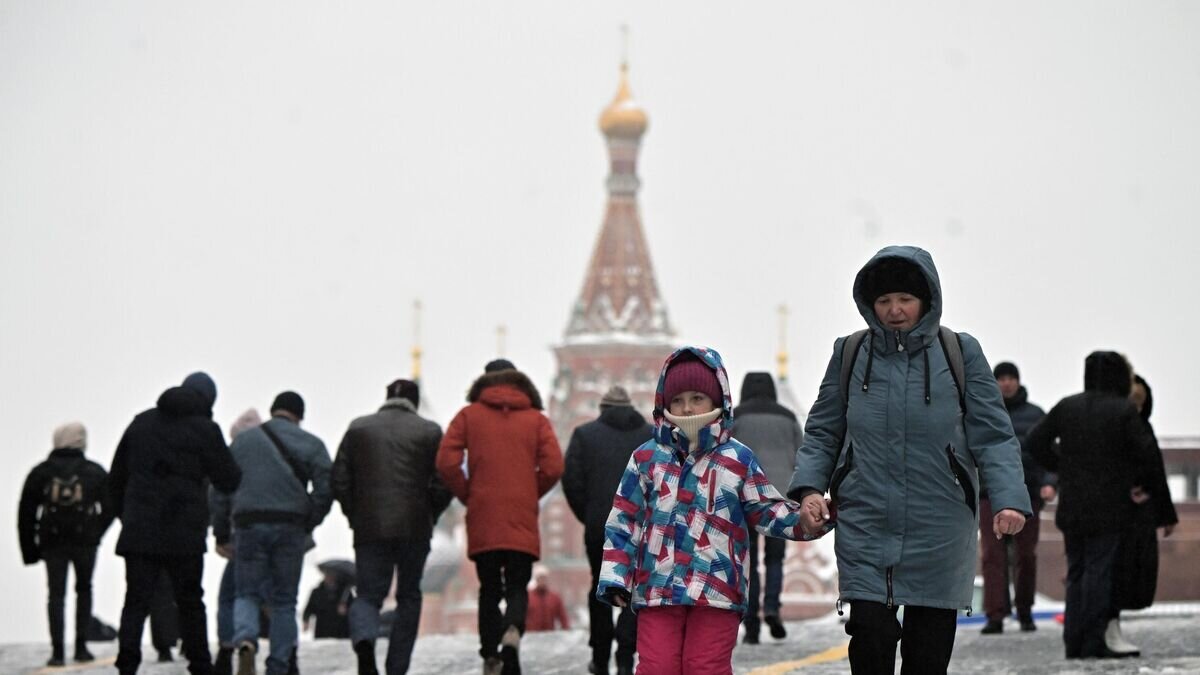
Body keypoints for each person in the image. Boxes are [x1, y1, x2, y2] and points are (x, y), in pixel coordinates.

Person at [787, 246, 1031, 675]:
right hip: (865, 520)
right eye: (883, 301)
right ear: (869, 304)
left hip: (938, 524)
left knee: (927, 655)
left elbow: (993, 436)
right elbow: (824, 431)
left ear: (927, 299)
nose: (894, 310)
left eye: (904, 299)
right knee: (869, 638)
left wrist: (1009, 498)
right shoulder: (850, 354)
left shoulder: (960, 353)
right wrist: (809, 490)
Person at [597, 346, 833, 675]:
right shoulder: (646, 459)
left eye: (697, 398)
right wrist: (616, 576)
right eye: (677, 400)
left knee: (705, 667)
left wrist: (807, 522)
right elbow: (624, 520)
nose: (687, 407)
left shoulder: (736, 459)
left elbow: (765, 509)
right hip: (658, 587)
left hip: (718, 587)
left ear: (717, 400)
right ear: (663, 403)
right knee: (657, 667)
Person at [1026, 352, 1159, 659]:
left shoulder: (1067, 406)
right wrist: (1136, 482)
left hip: (1072, 504)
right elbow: (1147, 453)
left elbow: (1034, 441)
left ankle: (1073, 641)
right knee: (1100, 571)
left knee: (1076, 571)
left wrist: (1062, 466)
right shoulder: (1123, 410)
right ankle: (1094, 641)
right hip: (1110, 505)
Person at [109, 371, 242, 675]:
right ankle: (200, 665)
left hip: (140, 531)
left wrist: (128, 517)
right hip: (184, 532)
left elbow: (116, 478)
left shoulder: (140, 423)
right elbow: (229, 478)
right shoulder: (206, 430)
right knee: (191, 601)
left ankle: (127, 665)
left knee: (136, 601)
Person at [436, 360, 563, 675]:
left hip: (483, 512)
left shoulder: (469, 416)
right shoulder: (536, 420)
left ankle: (491, 654)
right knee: (518, 584)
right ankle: (512, 633)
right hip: (520, 513)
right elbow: (554, 466)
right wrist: (530, 490)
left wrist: (467, 492)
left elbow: (446, 461)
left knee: (489, 587)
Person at [332, 378, 451, 675]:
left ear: (385, 398)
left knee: (368, 594)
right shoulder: (430, 431)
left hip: (369, 528)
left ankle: (364, 639)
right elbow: (443, 482)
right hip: (414, 528)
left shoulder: (358, 429)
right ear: (414, 401)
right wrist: (430, 514)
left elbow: (339, 480)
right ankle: (397, 667)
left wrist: (354, 515)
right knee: (409, 596)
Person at [211, 391, 333, 675]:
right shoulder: (311, 444)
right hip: (290, 526)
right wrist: (310, 519)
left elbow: (220, 487)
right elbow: (327, 486)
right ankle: (278, 664)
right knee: (284, 600)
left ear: (273, 410)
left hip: (248, 524)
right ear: (299, 416)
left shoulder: (243, 442)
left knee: (246, 593)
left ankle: (245, 641)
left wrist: (221, 533)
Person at [561, 385, 649, 675]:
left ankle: (600, 658)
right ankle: (625, 657)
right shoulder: (648, 435)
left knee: (600, 587)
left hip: (599, 525)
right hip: (640, 525)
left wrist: (588, 515)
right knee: (635, 589)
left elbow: (571, 482)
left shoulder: (585, 435)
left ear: (603, 409)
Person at [18, 421, 115, 666]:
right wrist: (96, 532)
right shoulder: (93, 471)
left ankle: (57, 652)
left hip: (53, 542)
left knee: (55, 595)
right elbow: (112, 505)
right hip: (85, 543)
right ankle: (81, 647)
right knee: (84, 590)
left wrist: (30, 549)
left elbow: (26, 512)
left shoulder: (41, 472)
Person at [1105, 373, 1178, 656]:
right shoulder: (1127, 429)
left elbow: (1156, 472)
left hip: (1138, 515)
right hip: (1123, 515)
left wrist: (1165, 512)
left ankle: (1111, 625)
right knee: (1119, 573)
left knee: (1131, 573)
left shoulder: (1142, 428)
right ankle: (1109, 626)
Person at [979, 361, 1054, 634]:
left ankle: (1024, 611)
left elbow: (1049, 454)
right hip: (988, 493)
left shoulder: (1036, 416)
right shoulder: (983, 412)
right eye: (1002, 378)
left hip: (1028, 492)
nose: (1007, 383)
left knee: (1026, 555)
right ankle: (995, 615)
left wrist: (1048, 483)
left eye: (1011, 378)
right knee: (991, 555)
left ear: (1018, 381)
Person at [730, 372, 804, 644]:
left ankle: (751, 623)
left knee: (748, 561)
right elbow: (803, 454)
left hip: (743, 497)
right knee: (775, 559)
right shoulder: (787, 417)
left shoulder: (734, 416)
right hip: (780, 498)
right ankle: (772, 607)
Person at [213, 408, 264, 675]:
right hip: (278, 534)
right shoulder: (273, 454)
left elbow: (219, 496)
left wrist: (221, 535)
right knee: (281, 600)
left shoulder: (233, 456)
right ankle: (286, 656)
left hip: (241, 535)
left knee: (231, 596)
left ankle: (229, 647)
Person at [302, 569, 353, 639]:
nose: (330, 577)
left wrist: (346, 610)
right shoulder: (317, 592)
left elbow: (354, 610)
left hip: (341, 633)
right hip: (322, 631)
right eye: (328, 574)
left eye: (332, 575)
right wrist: (306, 620)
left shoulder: (345, 593)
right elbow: (309, 608)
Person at [524, 566, 570, 632]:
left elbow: (563, 617)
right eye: (540, 578)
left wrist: (566, 631)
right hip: (531, 635)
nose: (542, 581)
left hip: (549, 636)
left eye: (544, 578)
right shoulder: (528, 597)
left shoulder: (555, 598)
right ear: (536, 579)